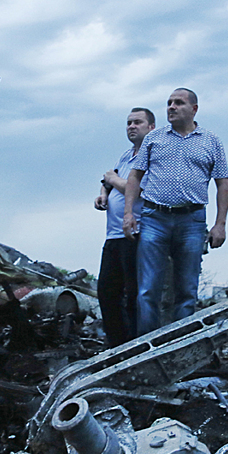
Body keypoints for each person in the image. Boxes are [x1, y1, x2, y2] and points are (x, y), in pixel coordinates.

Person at [122, 88, 228, 334]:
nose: (171, 107)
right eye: (169, 103)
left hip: (192, 220)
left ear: (194, 109)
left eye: (178, 103)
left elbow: (222, 183)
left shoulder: (211, 141)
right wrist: (129, 214)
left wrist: (220, 223)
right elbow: (135, 176)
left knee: (187, 290)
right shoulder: (154, 138)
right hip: (154, 218)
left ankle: (179, 345)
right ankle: (145, 349)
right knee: (148, 289)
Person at [94, 108, 156, 346]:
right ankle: (115, 344)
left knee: (134, 294)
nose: (131, 126)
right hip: (112, 235)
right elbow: (108, 180)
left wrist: (111, 180)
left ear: (151, 127)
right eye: (129, 123)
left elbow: (137, 191)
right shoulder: (125, 156)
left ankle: (134, 344)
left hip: (136, 234)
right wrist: (102, 194)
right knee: (106, 292)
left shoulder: (152, 156)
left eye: (137, 122)